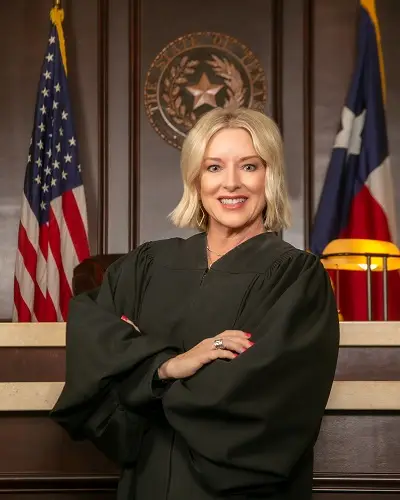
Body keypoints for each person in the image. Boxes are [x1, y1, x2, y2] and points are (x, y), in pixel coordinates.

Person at [50, 107, 339, 500]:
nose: (231, 183)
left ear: (270, 176)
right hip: (147, 482)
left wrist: (142, 376)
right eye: (214, 167)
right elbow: (94, 344)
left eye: (249, 166)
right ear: (195, 179)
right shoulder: (147, 265)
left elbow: (264, 397)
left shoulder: (296, 277)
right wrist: (167, 366)